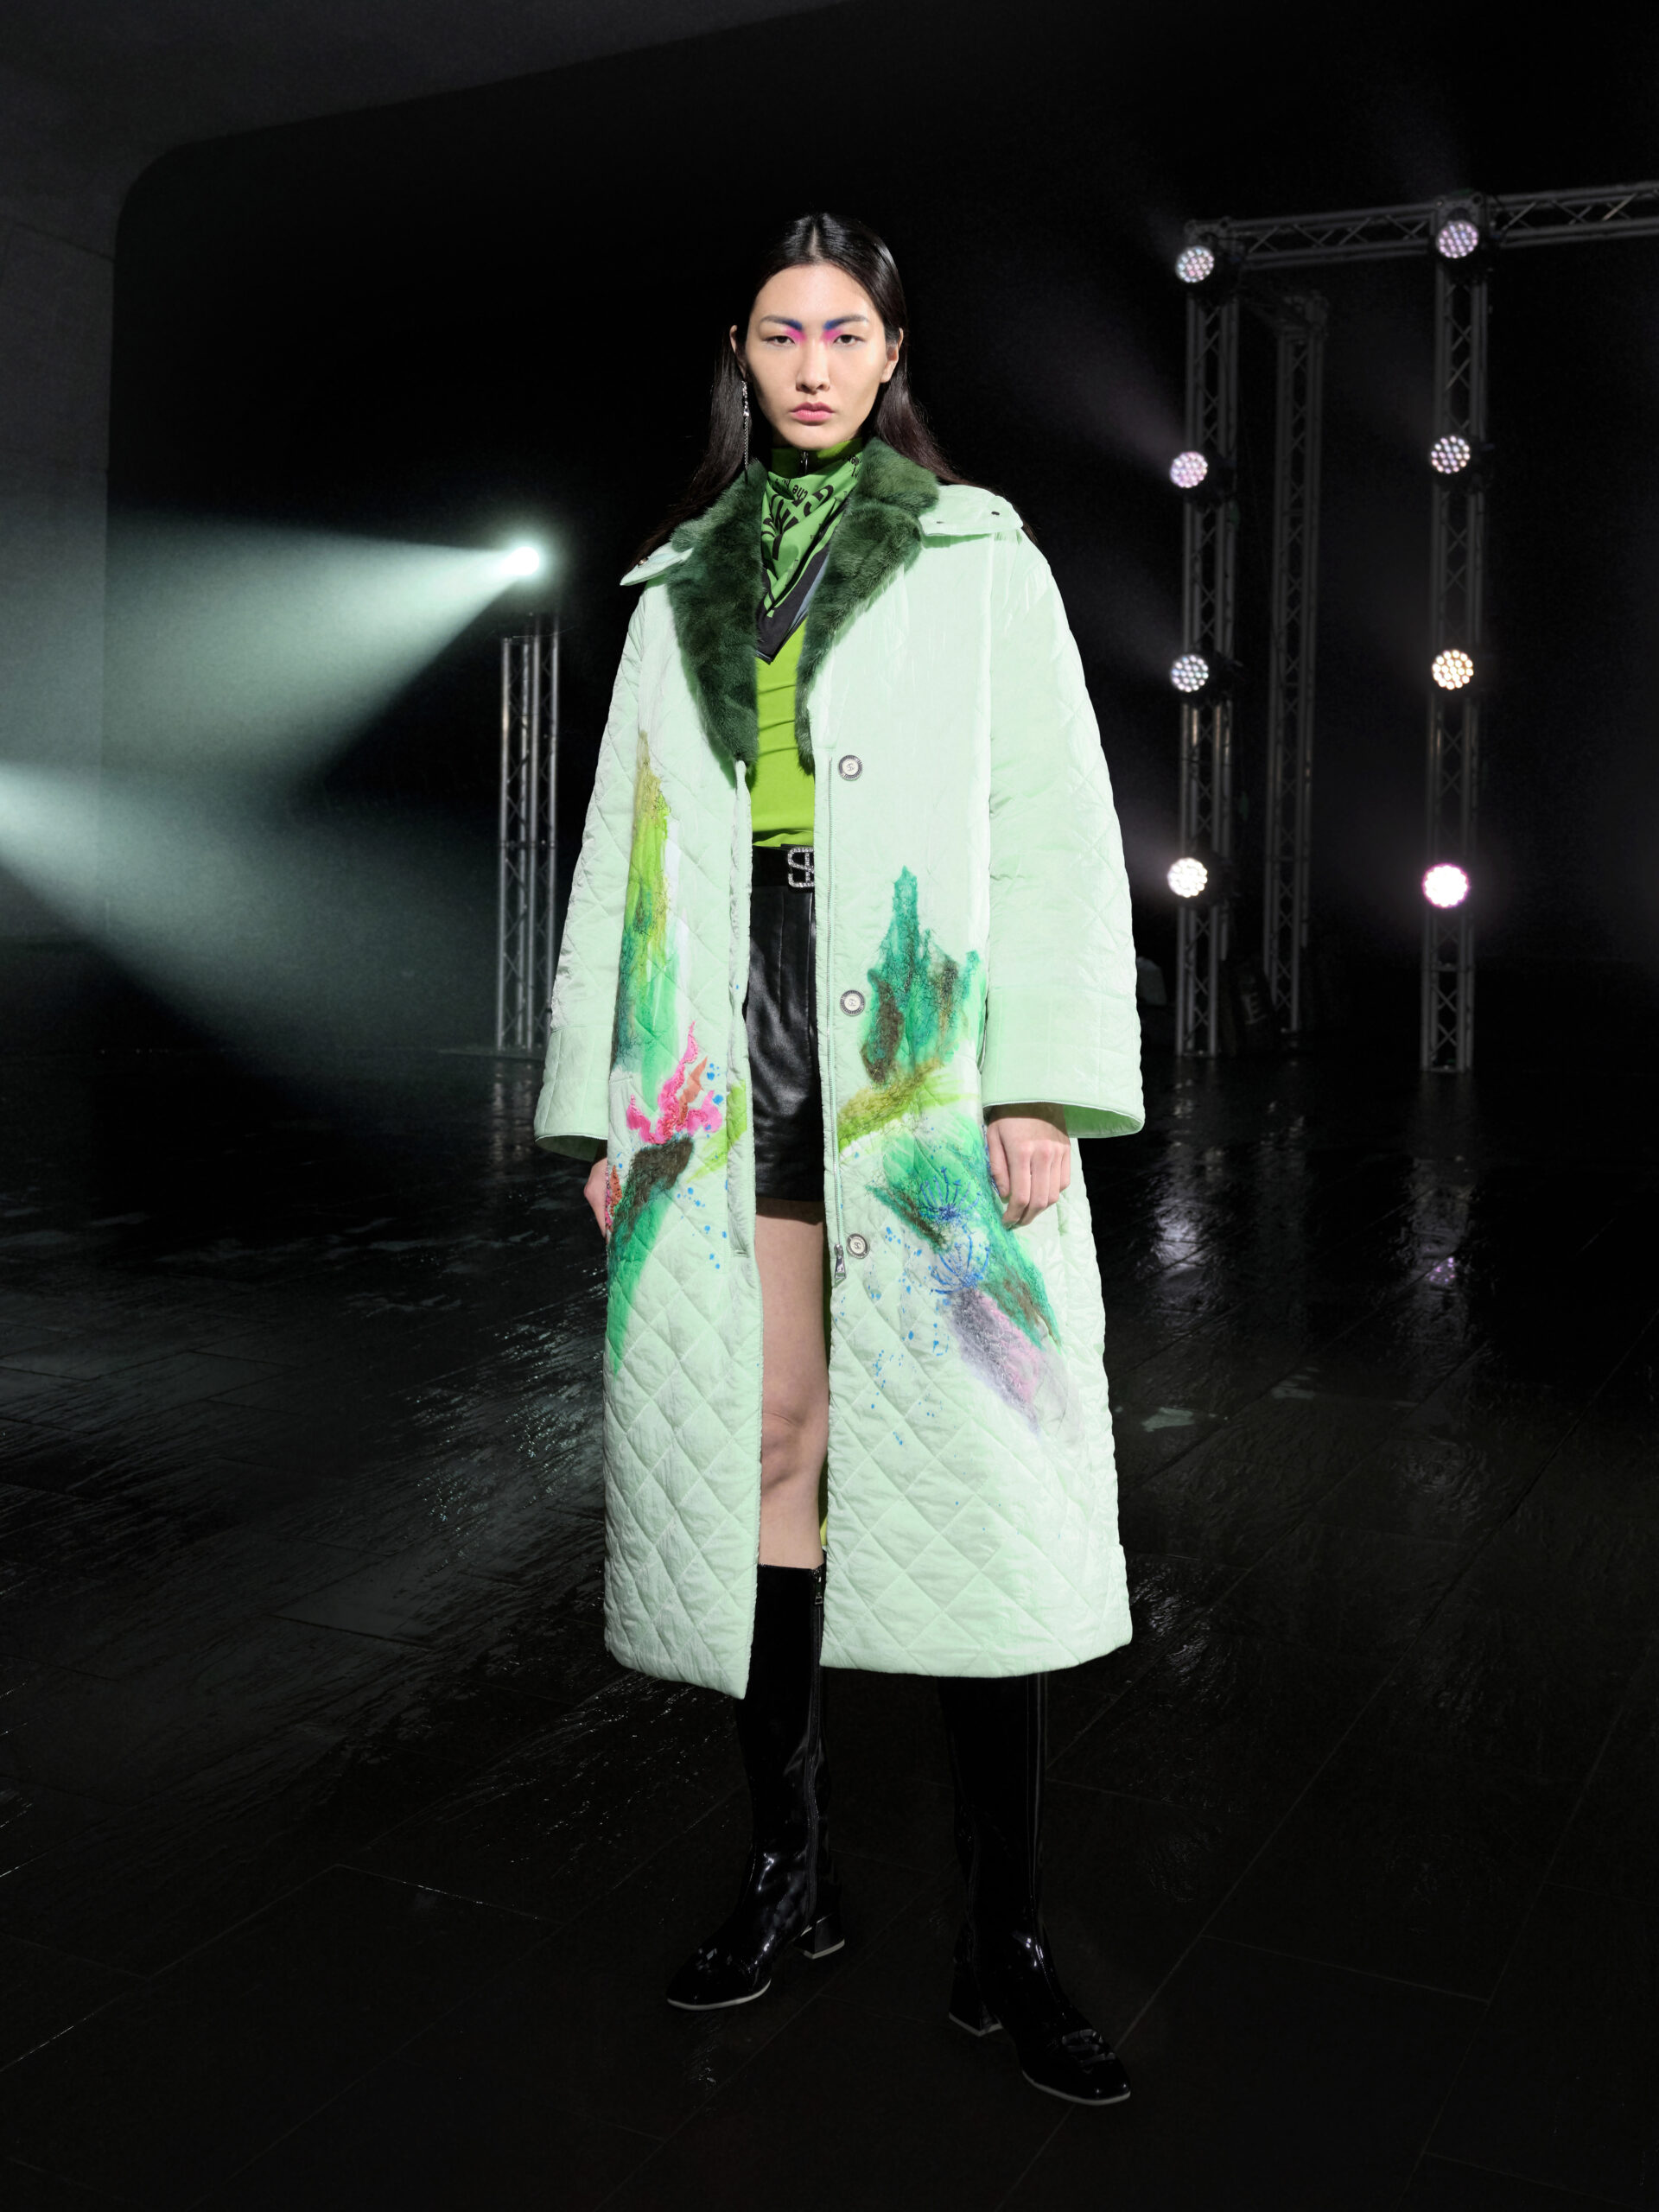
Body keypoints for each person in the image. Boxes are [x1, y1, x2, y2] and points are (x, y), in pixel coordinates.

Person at [534, 211, 1144, 2107]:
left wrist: (1039, 1084)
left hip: (919, 1056)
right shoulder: (678, 582)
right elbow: (625, 852)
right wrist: (613, 1111)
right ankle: (787, 1876)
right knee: (772, 1470)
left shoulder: (977, 554)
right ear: (744, 352)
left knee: (978, 1485)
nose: (814, 363)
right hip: (729, 1061)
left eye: (847, 332)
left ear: (892, 358)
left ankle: (1004, 1935)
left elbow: (1054, 819)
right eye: (784, 332)